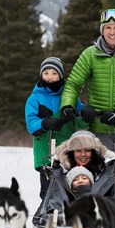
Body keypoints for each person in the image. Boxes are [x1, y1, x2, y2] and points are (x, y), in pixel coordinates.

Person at [59, 8, 115, 202]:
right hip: (98, 129)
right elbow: (73, 84)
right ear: (102, 30)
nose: (112, 31)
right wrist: (67, 105)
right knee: (96, 180)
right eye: (107, 27)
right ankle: (96, 219)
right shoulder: (90, 54)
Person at [25, 57, 87, 199]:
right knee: (48, 193)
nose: (50, 77)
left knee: (71, 191)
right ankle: (46, 218)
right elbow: (31, 125)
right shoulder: (34, 98)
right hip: (46, 154)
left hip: (68, 152)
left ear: (60, 75)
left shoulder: (69, 96)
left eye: (54, 73)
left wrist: (85, 115)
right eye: (46, 73)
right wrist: (45, 123)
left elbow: (81, 120)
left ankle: (70, 218)